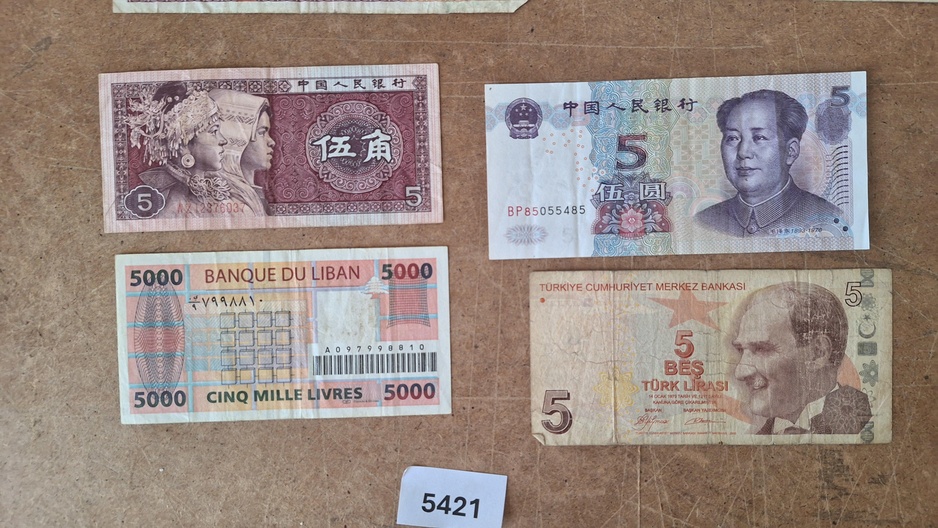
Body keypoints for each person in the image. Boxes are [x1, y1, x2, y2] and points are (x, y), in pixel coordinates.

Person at [695, 89, 843, 236]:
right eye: (733, 138)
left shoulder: (831, 220)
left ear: (791, 151)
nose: (743, 152)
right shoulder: (703, 221)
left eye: (759, 137)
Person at [732, 282, 871, 435]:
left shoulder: (872, 424)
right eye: (740, 350)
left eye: (761, 349)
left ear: (818, 353)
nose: (740, 372)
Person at [125, 81, 234, 217]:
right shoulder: (171, 199)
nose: (223, 140)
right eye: (214, 131)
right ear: (183, 145)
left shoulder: (214, 187)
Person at [208, 89, 276, 216]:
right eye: (262, 133)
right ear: (236, 137)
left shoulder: (252, 197)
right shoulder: (226, 203)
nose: (271, 142)